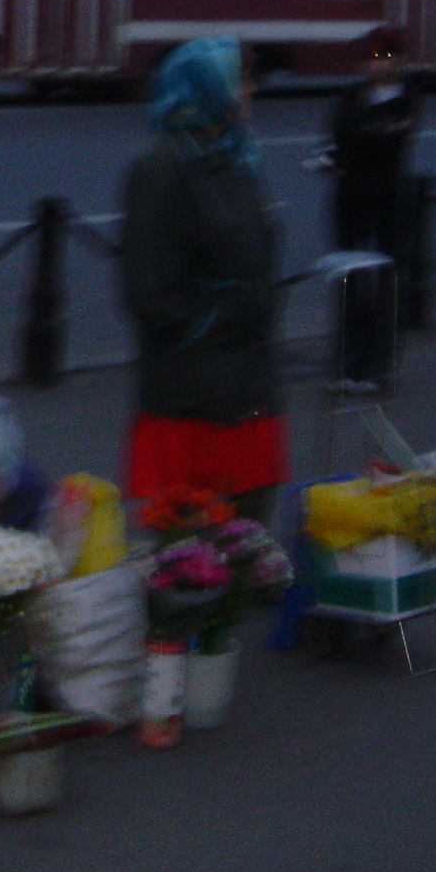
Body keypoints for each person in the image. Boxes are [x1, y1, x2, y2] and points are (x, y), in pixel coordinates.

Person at [120, 35, 288, 525]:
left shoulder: (238, 153)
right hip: (193, 393)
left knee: (250, 530)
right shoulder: (160, 166)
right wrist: (226, 321)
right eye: (241, 79)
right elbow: (149, 293)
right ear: (205, 85)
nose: (251, 89)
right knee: (197, 540)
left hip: (248, 385)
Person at [329, 25, 421, 255]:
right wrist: (379, 130)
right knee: (349, 255)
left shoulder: (408, 94)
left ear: (400, 59)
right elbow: (341, 133)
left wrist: (367, 132)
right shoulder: (351, 94)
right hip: (351, 190)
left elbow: (394, 139)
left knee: (390, 254)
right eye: (370, 57)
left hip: (390, 189)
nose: (376, 63)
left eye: (384, 55)